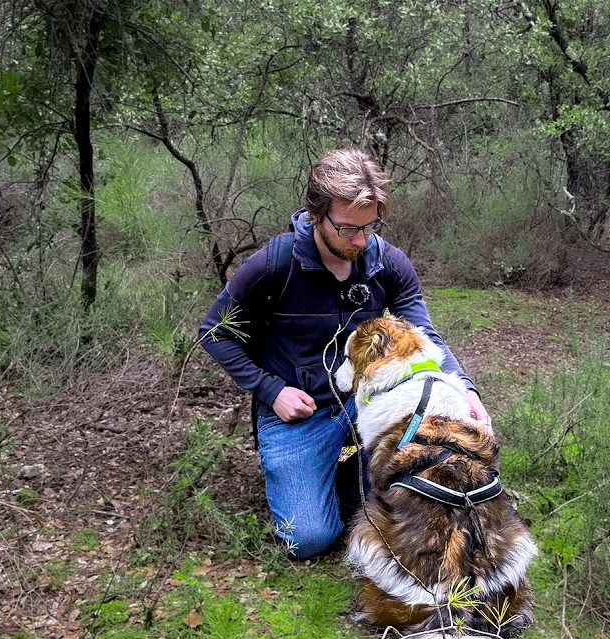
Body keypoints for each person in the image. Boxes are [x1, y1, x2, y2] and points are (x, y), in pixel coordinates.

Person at [198, 148, 489, 560]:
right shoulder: (273, 263)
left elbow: (424, 334)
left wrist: (466, 391)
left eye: (371, 227)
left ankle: (351, 479)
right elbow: (213, 333)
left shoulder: (386, 262)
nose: (361, 240)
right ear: (316, 214)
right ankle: (327, 478)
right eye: (348, 228)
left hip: (361, 401)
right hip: (296, 410)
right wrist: (271, 391)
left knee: (425, 477)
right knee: (309, 540)